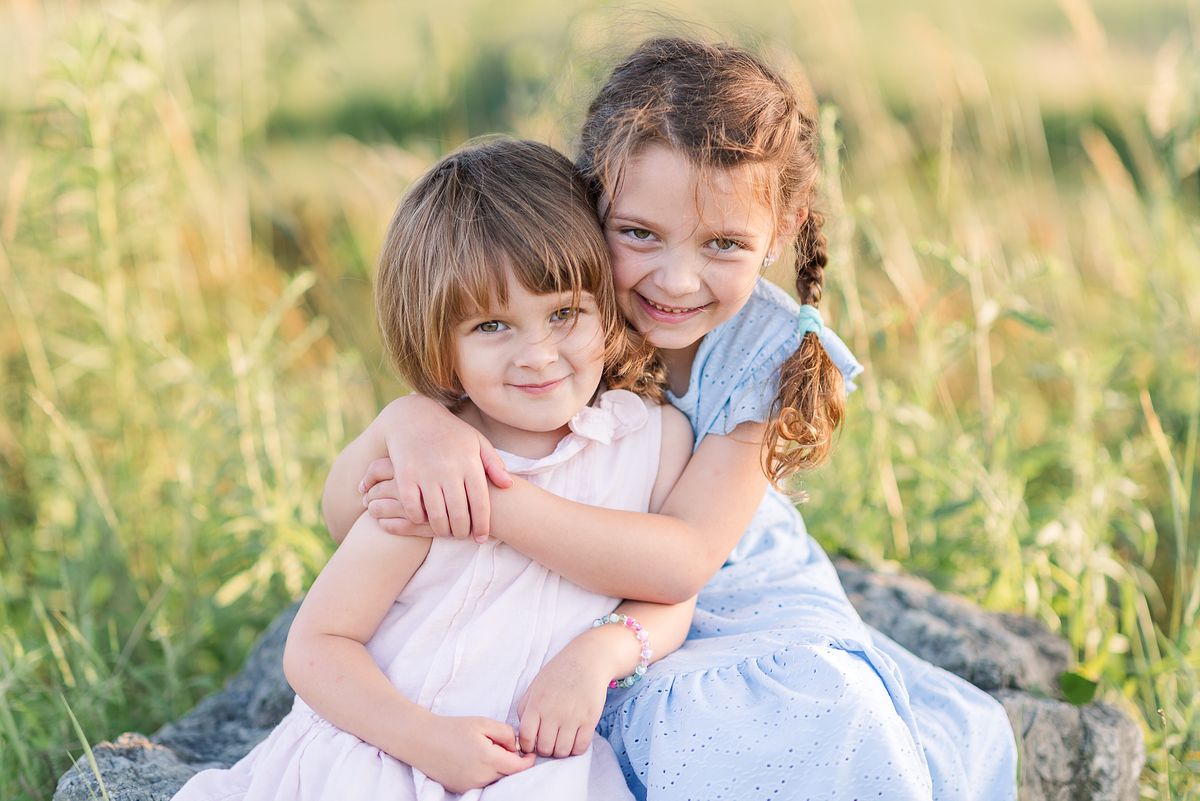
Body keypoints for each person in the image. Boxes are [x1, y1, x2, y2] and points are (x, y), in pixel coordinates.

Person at [325, 38, 1018, 800]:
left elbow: (683, 559)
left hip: (729, 614)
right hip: (580, 599)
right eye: (639, 234)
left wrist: (490, 500)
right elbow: (341, 514)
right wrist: (412, 422)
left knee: (777, 723)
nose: (676, 280)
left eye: (723, 244)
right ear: (591, 204)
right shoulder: (556, 323)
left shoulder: (765, 353)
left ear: (782, 229)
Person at [172, 138, 697, 801]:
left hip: (536, 767)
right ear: (439, 342)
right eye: (492, 326)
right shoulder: (434, 470)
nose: (538, 355)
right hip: (386, 751)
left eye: (563, 313)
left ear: (604, 307)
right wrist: (428, 741)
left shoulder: (650, 440)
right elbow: (318, 643)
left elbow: (669, 592)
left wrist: (602, 654)